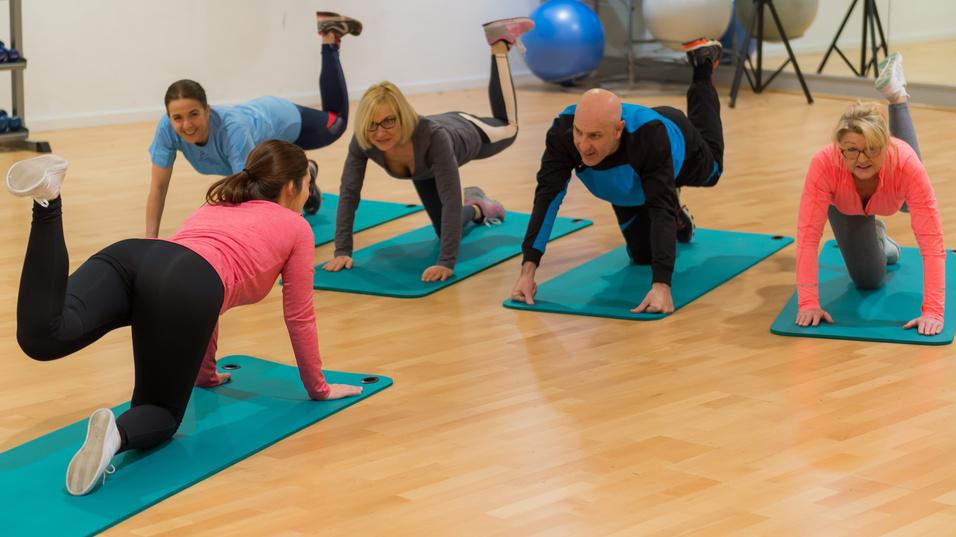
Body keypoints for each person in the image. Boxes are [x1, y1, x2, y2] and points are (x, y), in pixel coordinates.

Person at [7, 140, 362, 497]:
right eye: (308, 184)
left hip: (134, 255)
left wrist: (206, 373)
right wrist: (319, 388)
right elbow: (298, 315)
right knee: (159, 412)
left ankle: (47, 201)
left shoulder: (220, 202)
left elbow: (196, 282)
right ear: (292, 186)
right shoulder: (296, 226)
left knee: (44, 335)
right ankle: (116, 434)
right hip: (183, 285)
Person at [510, 39, 726, 313]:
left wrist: (662, 287)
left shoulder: (650, 137)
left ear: (617, 130)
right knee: (642, 256)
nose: (583, 145)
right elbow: (547, 198)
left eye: (595, 136)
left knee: (714, 172)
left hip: (678, 145)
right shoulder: (562, 135)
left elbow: (658, 208)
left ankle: (702, 67)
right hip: (630, 185)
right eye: (580, 132)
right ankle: (678, 214)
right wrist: (527, 272)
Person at [323, 17, 534, 283]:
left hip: (466, 132)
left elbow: (450, 199)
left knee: (510, 127)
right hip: (424, 168)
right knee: (445, 227)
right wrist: (343, 250)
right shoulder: (364, 140)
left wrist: (446, 263)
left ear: (402, 116)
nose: (380, 132)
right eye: (372, 125)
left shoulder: (435, 138)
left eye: (389, 121)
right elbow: (349, 194)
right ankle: (481, 208)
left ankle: (499, 44)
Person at [145, 12, 362, 237]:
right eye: (177, 118)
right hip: (259, 143)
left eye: (194, 114)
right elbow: (159, 187)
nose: (187, 124)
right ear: (169, 116)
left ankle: (330, 37)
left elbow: (246, 191)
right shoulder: (166, 128)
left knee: (336, 123)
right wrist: (149, 240)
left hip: (280, 119)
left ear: (207, 111)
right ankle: (305, 170)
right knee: (264, 180)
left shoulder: (232, 131)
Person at [794, 52, 945, 336]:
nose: (862, 159)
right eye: (851, 150)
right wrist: (809, 303)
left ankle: (897, 99)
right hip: (847, 206)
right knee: (869, 280)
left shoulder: (904, 164)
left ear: (885, 147)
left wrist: (933, 310)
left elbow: (932, 241)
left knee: (911, 201)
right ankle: (881, 240)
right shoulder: (825, 164)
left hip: (895, 186)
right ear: (840, 148)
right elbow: (808, 237)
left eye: (872, 149)